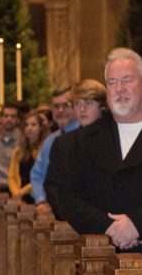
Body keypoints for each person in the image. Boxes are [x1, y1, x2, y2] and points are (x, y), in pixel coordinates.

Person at [59, 47, 142, 275]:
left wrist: (137, 224)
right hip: (103, 259)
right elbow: (68, 195)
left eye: (127, 80)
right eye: (112, 82)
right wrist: (110, 229)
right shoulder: (83, 141)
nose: (120, 89)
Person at [44, 79, 107, 218]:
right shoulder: (63, 143)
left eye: (88, 103)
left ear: (102, 106)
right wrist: (68, 215)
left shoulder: (115, 139)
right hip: (71, 220)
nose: (82, 109)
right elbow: (52, 184)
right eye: (77, 103)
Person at [31, 87, 79, 212]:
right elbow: (37, 173)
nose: (60, 111)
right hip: (51, 211)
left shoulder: (85, 137)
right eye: (56, 106)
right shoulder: (50, 140)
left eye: (65, 105)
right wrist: (40, 200)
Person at [7, 111, 49, 202]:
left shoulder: (45, 150)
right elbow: (11, 176)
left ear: (40, 128)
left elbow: (42, 176)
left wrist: (23, 191)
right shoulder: (18, 151)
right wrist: (16, 193)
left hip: (38, 196)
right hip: (19, 196)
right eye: (26, 125)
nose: (29, 128)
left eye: (33, 125)